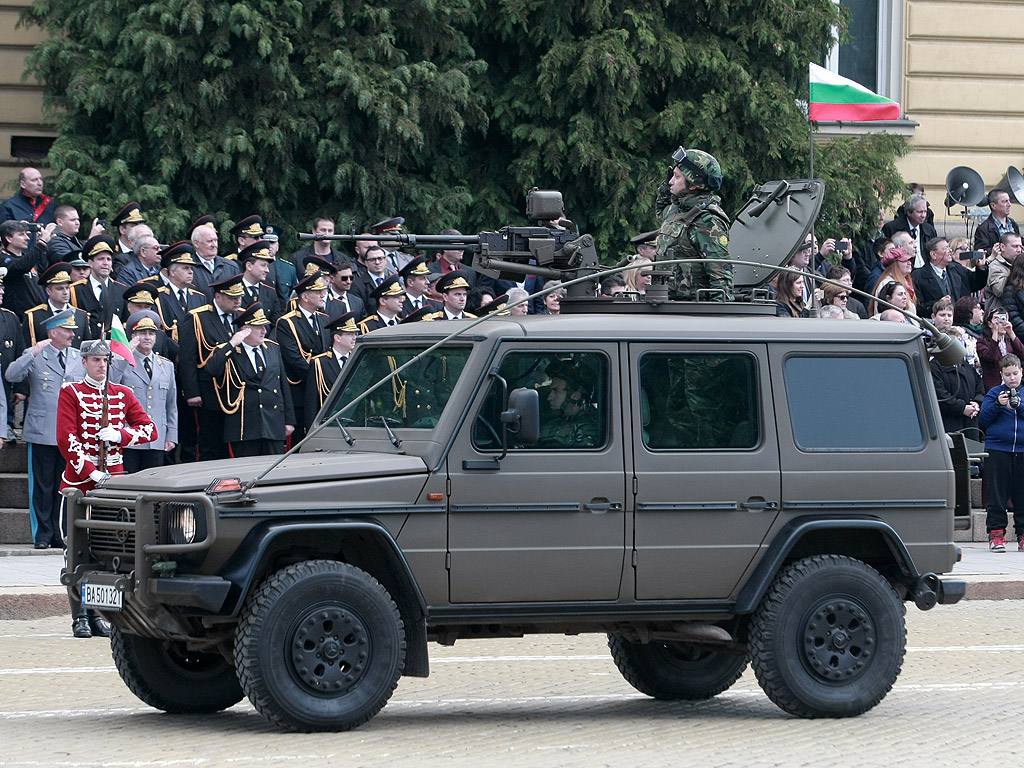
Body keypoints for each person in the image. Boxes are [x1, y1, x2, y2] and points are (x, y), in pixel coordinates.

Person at [56, 338, 156, 637]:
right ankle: (79, 617)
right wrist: (92, 473)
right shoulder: (71, 392)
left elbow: (149, 428)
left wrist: (121, 434)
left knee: (107, 551)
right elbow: (67, 440)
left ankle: (99, 614)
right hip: (81, 483)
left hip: (113, 484)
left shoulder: (122, 394)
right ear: (84, 362)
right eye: (95, 360)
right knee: (77, 550)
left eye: (105, 360)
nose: (101, 364)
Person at [4, 309, 85, 550]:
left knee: (66, 485)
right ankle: (42, 533)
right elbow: (11, 374)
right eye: (67, 330)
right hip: (41, 431)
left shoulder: (78, 357)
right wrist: (32, 353)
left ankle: (60, 532)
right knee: (42, 485)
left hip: (70, 433)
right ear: (53, 332)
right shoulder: (36, 355)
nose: (72, 334)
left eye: (72, 330)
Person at [205, 303, 294, 456]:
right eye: (259, 327)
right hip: (244, 426)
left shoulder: (272, 348)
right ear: (245, 330)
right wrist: (232, 343)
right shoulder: (230, 351)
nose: (264, 331)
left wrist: (289, 419)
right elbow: (212, 369)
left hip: (273, 423)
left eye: (264, 326)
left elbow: (282, 385)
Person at [177, 273, 244, 462]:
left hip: (236, 392)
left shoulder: (243, 316)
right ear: (218, 297)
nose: (237, 301)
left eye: (239, 296)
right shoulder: (198, 318)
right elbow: (188, 358)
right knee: (208, 444)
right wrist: (191, 392)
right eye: (232, 298)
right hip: (209, 391)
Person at [655, 147, 732, 300]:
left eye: (676, 177)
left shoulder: (707, 221)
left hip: (691, 309)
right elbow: (660, 211)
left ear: (693, 184)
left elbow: (721, 279)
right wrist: (666, 187)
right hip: (665, 301)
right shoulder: (676, 209)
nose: (670, 182)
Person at [109, 311, 178, 473]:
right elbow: (110, 384)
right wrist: (126, 356)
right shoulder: (122, 363)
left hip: (156, 436)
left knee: (153, 486)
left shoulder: (166, 366)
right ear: (133, 336)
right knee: (128, 486)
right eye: (142, 333)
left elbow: (171, 405)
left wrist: (171, 436)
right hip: (130, 436)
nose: (147, 337)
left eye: (151, 333)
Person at [275, 272, 331, 441]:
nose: (323, 295)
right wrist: (321, 378)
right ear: (305, 296)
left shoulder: (324, 319)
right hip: (301, 391)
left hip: (324, 391)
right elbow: (294, 359)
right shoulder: (287, 322)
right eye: (318, 292)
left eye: (324, 290)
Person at [979, 354, 1024, 552]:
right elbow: (983, 419)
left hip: (1022, 450)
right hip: (998, 449)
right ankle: (996, 534)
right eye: (1008, 374)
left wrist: (1019, 406)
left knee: (1022, 495)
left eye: (1015, 373)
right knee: (996, 495)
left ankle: (1022, 535)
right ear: (1001, 375)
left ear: (1021, 372)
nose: (1012, 378)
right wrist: (998, 404)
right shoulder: (994, 393)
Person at [929, 300, 984, 436]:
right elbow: (939, 394)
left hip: (971, 423)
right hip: (949, 425)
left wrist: (976, 403)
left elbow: (979, 386)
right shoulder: (935, 366)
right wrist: (962, 408)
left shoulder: (964, 364)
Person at [304, 311, 358, 428]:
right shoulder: (319, 363)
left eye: (355, 334)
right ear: (337, 337)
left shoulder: (357, 361)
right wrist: (311, 430)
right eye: (350, 334)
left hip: (354, 425)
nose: (355, 338)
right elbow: (311, 402)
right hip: (328, 425)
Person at [69, 235, 127, 340]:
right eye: (101, 259)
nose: (106, 263)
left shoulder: (121, 290)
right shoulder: (75, 290)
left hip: (112, 348)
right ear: (90, 263)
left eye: (109, 259)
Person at [911, 237, 987, 314]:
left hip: (960, 320)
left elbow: (976, 283)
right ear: (933, 254)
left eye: (949, 248)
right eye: (945, 249)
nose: (950, 251)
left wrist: (981, 267)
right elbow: (918, 307)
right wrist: (937, 304)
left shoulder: (956, 268)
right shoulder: (918, 276)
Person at [23, 262, 90, 348]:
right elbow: (29, 351)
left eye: (67, 288)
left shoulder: (81, 315)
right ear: (48, 291)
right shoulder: (34, 316)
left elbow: (86, 350)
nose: (65, 292)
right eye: (60, 289)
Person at [538, 360, 599, 448]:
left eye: (556, 391)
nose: (549, 397)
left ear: (575, 395)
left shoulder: (590, 428)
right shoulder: (552, 423)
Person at [155, 242, 207, 342]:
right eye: (185, 268)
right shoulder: (159, 297)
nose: (191, 272)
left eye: (191, 268)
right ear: (172, 272)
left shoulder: (200, 297)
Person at [1, 219, 51, 317]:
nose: (27, 238)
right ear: (9, 239)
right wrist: (42, 242)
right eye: (21, 234)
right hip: (19, 319)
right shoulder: (3, 259)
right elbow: (21, 266)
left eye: (27, 234)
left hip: (39, 315)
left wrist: (39, 240)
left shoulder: (28, 259)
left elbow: (43, 269)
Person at [188, 214, 239, 300]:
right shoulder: (188, 267)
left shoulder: (230, 267)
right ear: (196, 243)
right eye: (209, 241)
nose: (214, 245)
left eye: (215, 240)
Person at [881, 194, 936, 267]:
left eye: (925, 212)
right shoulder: (891, 228)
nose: (923, 215)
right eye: (919, 212)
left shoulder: (929, 230)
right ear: (909, 212)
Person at [977, 307, 1024, 392]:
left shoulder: (1009, 341)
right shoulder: (982, 342)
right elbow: (990, 357)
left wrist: (1011, 333)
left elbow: (1022, 354)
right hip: (993, 386)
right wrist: (995, 332)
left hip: (1012, 385)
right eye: (997, 319)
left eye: (1004, 319)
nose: (1002, 323)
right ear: (990, 323)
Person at [870, 246, 917, 316]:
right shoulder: (887, 284)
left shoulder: (906, 281)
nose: (909, 263)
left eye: (909, 260)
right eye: (904, 261)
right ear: (895, 264)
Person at [984, 232, 1022, 312]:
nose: (1019, 250)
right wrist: (1018, 270)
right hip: (999, 316)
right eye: (1015, 246)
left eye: (1020, 246)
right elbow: (1001, 291)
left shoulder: (1019, 264)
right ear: (1002, 247)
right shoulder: (995, 266)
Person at [975, 188, 1020, 254]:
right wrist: (1002, 249)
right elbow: (981, 253)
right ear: (993, 205)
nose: (1009, 204)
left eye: (1009, 201)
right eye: (1005, 201)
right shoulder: (983, 229)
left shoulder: (1013, 224)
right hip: (996, 263)